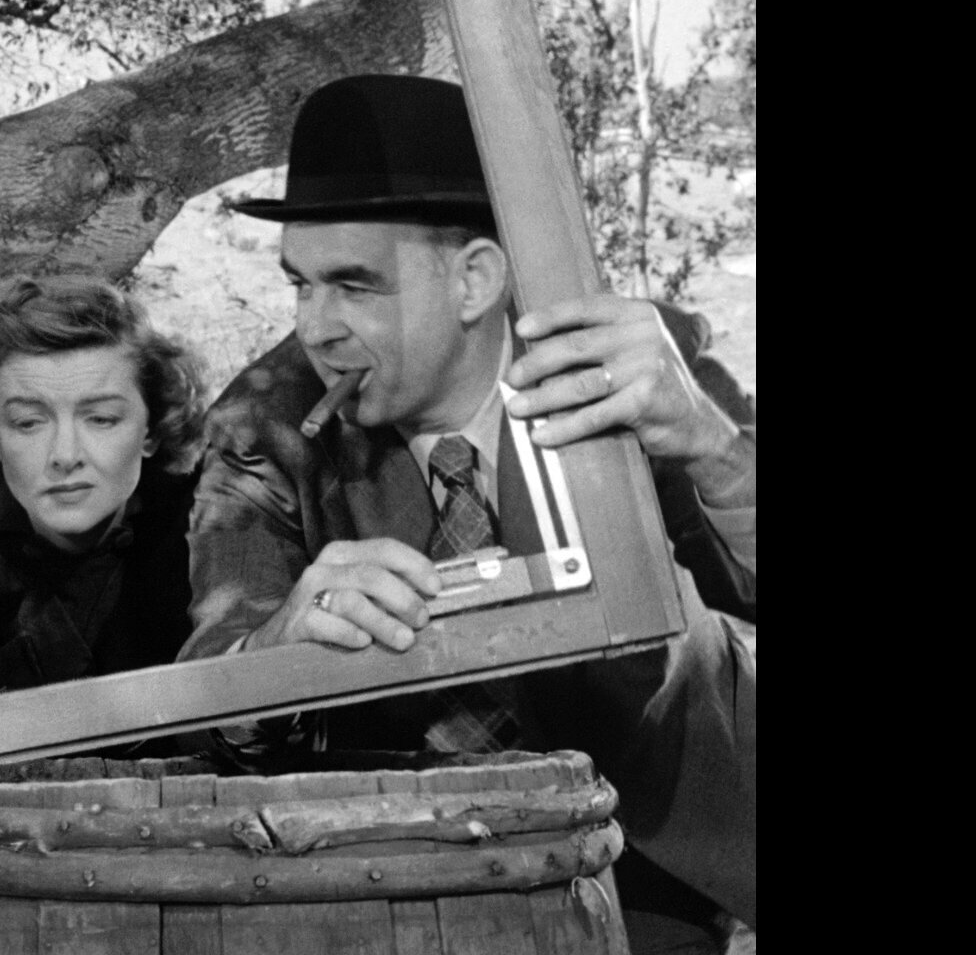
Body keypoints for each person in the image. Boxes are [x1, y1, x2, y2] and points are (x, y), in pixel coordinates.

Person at [179, 75, 756, 949]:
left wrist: (714, 448)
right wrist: (277, 652)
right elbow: (214, 679)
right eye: (300, 285)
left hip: (651, 866)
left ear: (475, 279)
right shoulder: (262, 427)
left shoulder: (624, 364)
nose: (316, 327)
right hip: (392, 884)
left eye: (354, 285)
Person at [0, 275, 207, 705]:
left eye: (101, 419)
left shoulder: (215, 524)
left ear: (151, 430)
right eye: (28, 423)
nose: (65, 455)